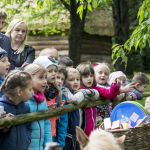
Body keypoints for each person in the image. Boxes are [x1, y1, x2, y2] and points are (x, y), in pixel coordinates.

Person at [76, 63, 120, 136]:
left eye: (91, 76)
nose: (89, 78)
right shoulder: (78, 89)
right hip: (81, 124)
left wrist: (114, 86)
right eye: (86, 76)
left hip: (93, 123)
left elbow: (109, 94)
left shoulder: (95, 88)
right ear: (79, 78)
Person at [62, 67, 99, 150]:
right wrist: (84, 92)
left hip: (77, 134)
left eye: (77, 79)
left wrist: (87, 91)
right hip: (68, 134)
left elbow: (96, 95)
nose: (75, 82)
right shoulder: (64, 90)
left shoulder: (79, 90)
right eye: (71, 80)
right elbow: (74, 99)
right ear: (64, 82)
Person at [0, 70, 33, 150]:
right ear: (19, 91)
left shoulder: (26, 107)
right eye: (30, 89)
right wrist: (4, 126)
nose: (33, 92)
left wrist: (27, 141)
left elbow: (28, 127)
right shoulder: (1, 108)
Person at [33, 56, 62, 141]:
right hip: (38, 132)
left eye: (55, 71)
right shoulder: (39, 91)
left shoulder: (54, 90)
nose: (54, 73)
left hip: (51, 129)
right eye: (50, 71)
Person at [25, 64, 52, 150]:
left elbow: (47, 123)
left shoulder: (42, 99)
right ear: (28, 79)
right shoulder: (24, 100)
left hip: (40, 147)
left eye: (45, 77)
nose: (45, 81)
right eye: (41, 78)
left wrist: (49, 144)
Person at [55, 65, 68, 149]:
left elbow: (63, 121)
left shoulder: (62, 97)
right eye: (57, 77)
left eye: (62, 79)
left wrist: (60, 143)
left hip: (55, 139)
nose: (59, 81)